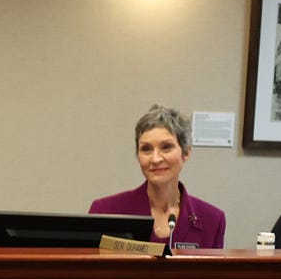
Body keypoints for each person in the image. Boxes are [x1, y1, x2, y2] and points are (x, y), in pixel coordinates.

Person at [89, 104, 226, 249]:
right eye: (146, 149)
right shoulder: (105, 211)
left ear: (186, 152)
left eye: (166, 147)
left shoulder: (212, 220)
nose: (155, 159)